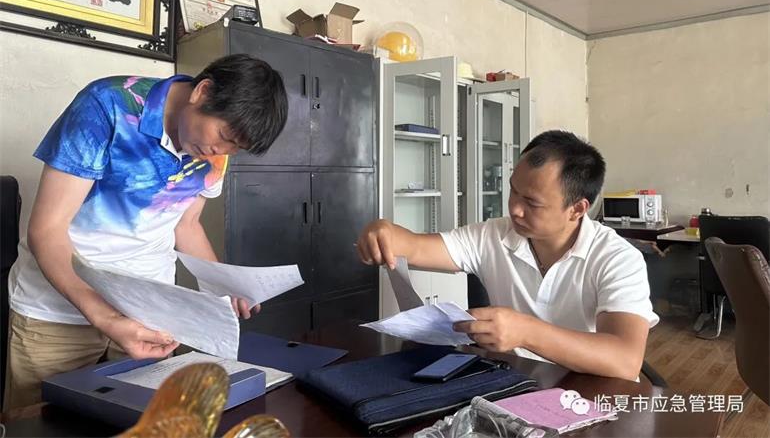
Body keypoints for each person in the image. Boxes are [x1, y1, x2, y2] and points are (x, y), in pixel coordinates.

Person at [5, 54, 288, 410]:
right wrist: (106, 318)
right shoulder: (107, 105)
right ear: (202, 92)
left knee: (143, 421)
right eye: (224, 137)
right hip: (58, 313)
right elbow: (47, 230)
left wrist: (223, 283)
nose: (220, 153)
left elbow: (187, 224)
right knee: (40, 423)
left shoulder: (215, 148)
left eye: (235, 148)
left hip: (147, 312)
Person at [357, 130, 658, 381]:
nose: (514, 208)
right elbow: (416, 247)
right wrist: (385, 231)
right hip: (513, 386)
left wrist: (526, 332)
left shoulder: (617, 259)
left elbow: (624, 360)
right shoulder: (494, 235)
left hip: (590, 395)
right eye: (513, 191)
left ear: (577, 209)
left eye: (532, 202)